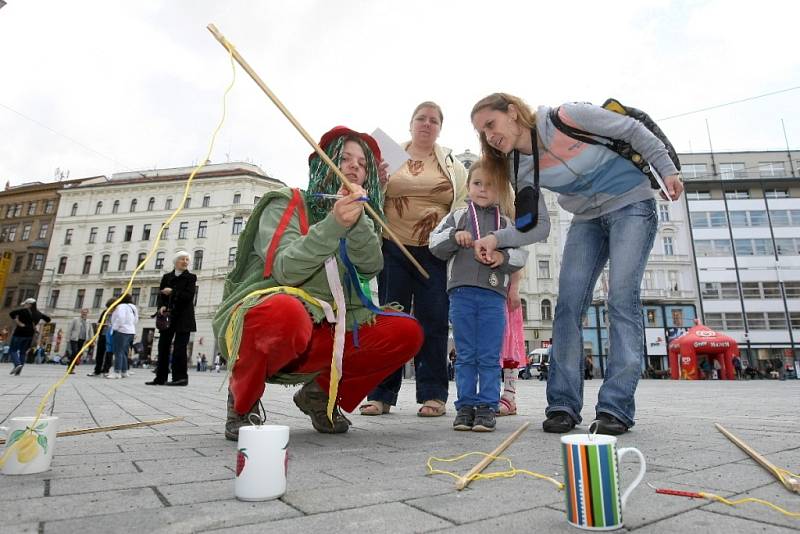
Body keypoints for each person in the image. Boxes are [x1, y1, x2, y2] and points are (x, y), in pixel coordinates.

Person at [471, 93, 683, 435]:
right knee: (567, 306)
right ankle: (562, 406)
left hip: (631, 204)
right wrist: (497, 239)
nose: (489, 136)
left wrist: (668, 170)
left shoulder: (566, 118)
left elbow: (631, 130)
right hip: (586, 219)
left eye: (490, 124)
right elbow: (536, 226)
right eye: (482, 132)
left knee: (620, 301)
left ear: (512, 112)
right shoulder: (519, 166)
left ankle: (616, 407)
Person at [213, 126, 424, 439]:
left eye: (362, 163)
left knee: (405, 332)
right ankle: (243, 402)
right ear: (325, 163)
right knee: (285, 312)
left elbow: (370, 266)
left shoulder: (359, 214)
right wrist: (333, 225)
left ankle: (320, 395)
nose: (355, 165)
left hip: (326, 332)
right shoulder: (286, 202)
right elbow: (284, 269)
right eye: (345, 157)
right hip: (272, 325)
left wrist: (359, 219)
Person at [361, 101, 468, 418]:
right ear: (410, 124)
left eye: (433, 120)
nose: (426, 124)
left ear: (440, 127)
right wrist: (377, 181)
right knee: (390, 318)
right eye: (421, 118)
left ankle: (433, 394)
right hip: (393, 246)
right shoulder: (390, 154)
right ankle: (381, 394)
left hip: (434, 251)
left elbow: (461, 204)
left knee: (434, 320)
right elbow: (371, 195)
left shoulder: (450, 162)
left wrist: (453, 239)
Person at [430, 161, 542, 432]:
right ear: (468, 187)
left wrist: (502, 256)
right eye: (477, 183)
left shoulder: (505, 223)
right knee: (466, 353)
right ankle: (466, 406)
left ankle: (487, 407)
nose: (483, 189)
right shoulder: (458, 217)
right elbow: (433, 242)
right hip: (461, 294)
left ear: (500, 190)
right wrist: (455, 237)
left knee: (490, 355)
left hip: (493, 296)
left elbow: (521, 254)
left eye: (490, 185)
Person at [146, 251, 197, 386]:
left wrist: (173, 292)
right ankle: (160, 377)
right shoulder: (166, 277)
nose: (185, 261)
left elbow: (188, 296)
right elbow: (161, 295)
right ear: (175, 262)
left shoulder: (191, 277)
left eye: (187, 259)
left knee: (180, 348)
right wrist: (161, 306)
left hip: (184, 317)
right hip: (167, 317)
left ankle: (180, 378)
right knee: (163, 346)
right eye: (182, 259)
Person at [498, 270, 526, 416]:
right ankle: (489, 396)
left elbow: (517, 260)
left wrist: (514, 288)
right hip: (489, 293)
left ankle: (509, 397)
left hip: (506, 296)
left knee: (509, 347)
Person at [8, 298, 51, 376]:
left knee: (13, 350)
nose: (25, 305)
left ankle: (17, 364)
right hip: (30, 335)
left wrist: (18, 322)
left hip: (19, 333)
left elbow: (11, 314)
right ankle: (18, 372)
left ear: (30, 304)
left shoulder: (23, 311)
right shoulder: (38, 313)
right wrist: (36, 324)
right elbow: (48, 319)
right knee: (23, 352)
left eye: (26, 304)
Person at [107, 293, 138, 379]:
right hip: (130, 331)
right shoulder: (132, 307)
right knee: (124, 352)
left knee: (118, 352)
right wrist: (130, 326)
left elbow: (121, 318)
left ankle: (117, 372)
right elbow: (136, 320)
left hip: (121, 331)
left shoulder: (120, 307)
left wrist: (115, 328)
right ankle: (124, 371)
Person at [89, 299, 116, 376]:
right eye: (108, 307)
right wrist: (99, 326)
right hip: (103, 334)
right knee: (99, 352)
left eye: (110, 307)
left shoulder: (117, 313)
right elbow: (100, 321)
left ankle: (106, 370)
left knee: (109, 353)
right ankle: (97, 370)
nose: (109, 309)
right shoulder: (105, 312)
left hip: (111, 335)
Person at [66, 308, 94, 374]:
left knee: (78, 353)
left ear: (87, 313)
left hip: (83, 340)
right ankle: (70, 368)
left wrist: (92, 339)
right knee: (75, 352)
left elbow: (90, 331)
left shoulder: (88, 321)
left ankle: (73, 365)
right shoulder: (75, 319)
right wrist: (68, 338)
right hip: (74, 339)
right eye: (83, 312)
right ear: (81, 313)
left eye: (86, 312)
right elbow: (70, 329)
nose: (84, 313)